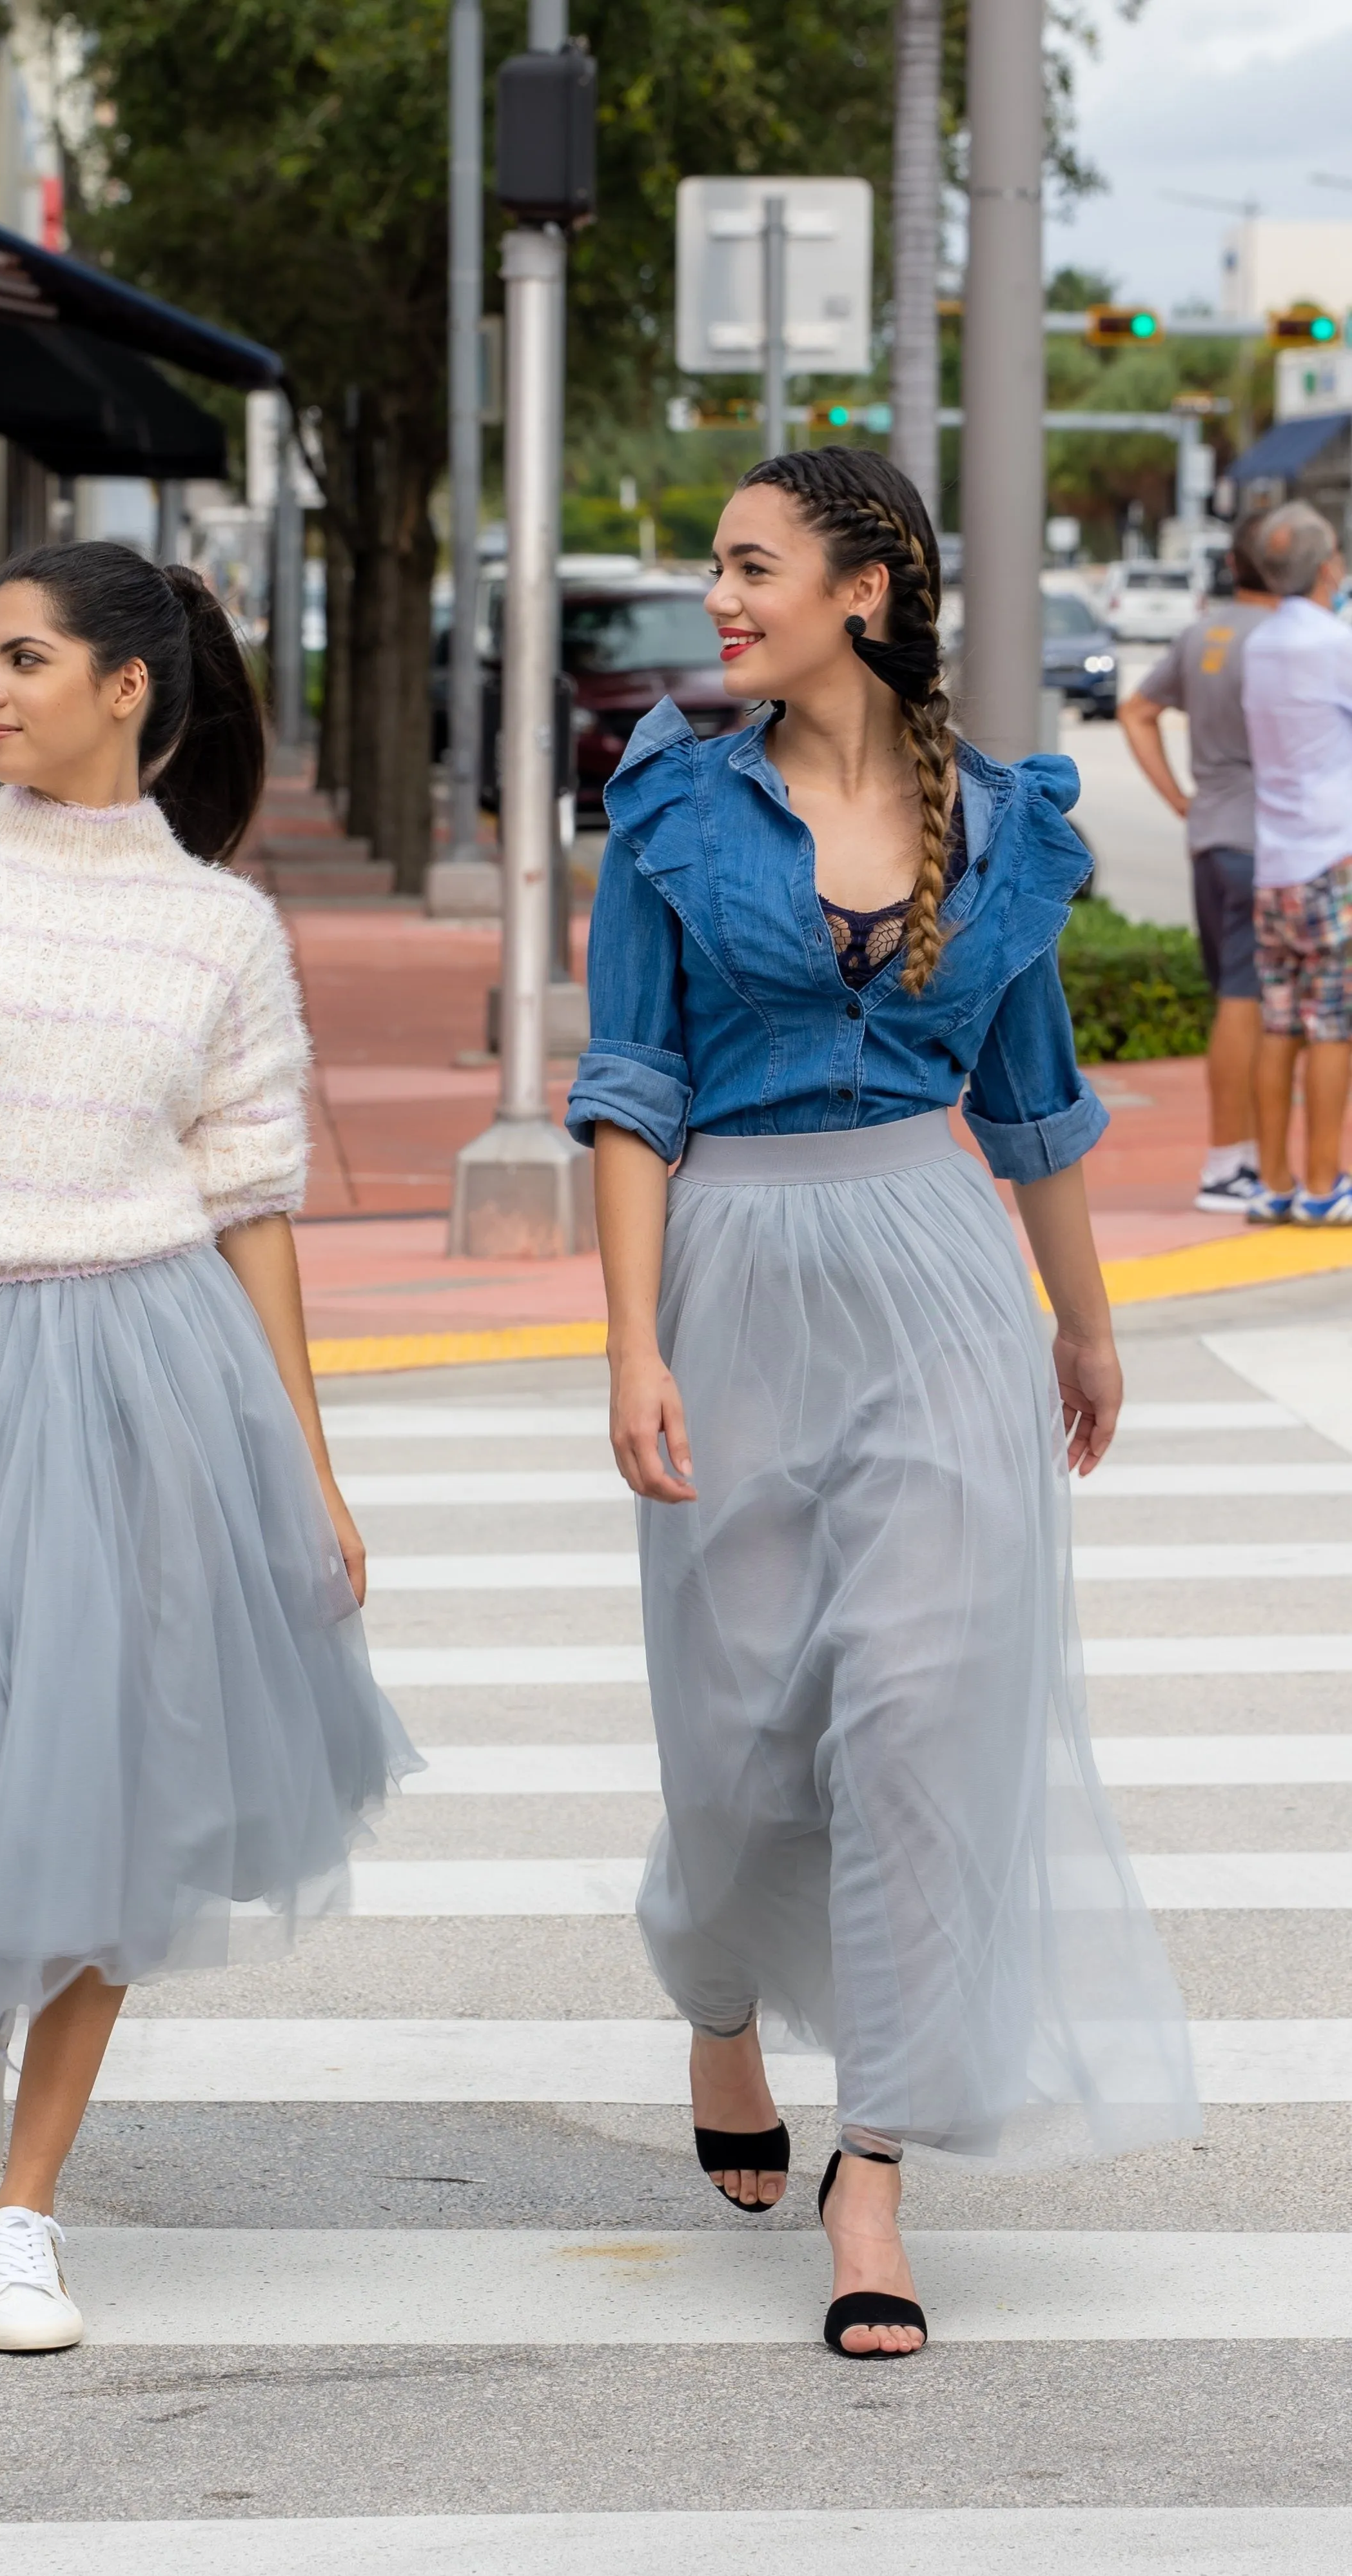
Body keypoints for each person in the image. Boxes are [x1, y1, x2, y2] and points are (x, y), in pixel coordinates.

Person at [0, 542, 415, 2354]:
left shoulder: (218, 931)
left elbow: (257, 1208)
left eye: (24, 658)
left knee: (124, 1788)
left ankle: (22, 2207)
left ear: (129, 686)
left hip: (153, 1369)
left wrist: (309, 1468)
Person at [567, 446, 1200, 2361]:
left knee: (926, 1720)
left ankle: (879, 2175)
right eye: (716, 566)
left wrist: (1083, 1328)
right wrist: (629, 1342)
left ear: (871, 586)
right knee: (744, 1728)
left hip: (937, 1277)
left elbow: (1031, 1098)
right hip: (731, 1279)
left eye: (751, 565)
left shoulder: (1002, 821)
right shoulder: (672, 809)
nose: (718, 596)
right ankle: (717, 2002)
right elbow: (626, 1090)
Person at [1118, 518, 1276, 1210]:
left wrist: (1181, 798)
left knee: (1233, 1001)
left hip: (1212, 838)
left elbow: (1135, 710)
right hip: (1269, 843)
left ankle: (1239, 1159)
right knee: (1256, 1006)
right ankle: (1230, 1165)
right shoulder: (1288, 642)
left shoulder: (1201, 633)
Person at [1239, 500, 1352, 1226]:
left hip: (1273, 860)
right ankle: (1323, 1184)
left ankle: (1273, 1182)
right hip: (1330, 857)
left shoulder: (1260, 644)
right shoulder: (1333, 643)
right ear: (1324, 567)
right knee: (1333, 1025)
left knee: (1278, 1023)